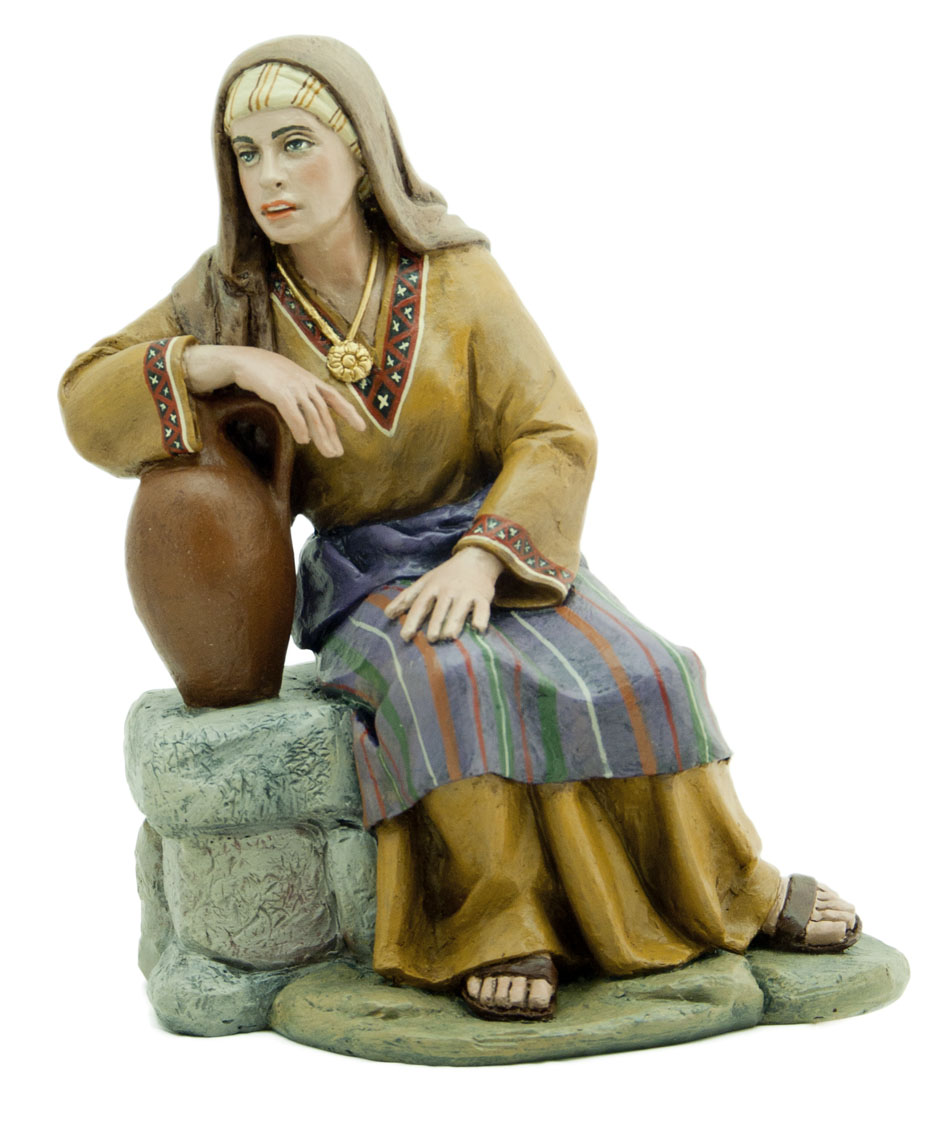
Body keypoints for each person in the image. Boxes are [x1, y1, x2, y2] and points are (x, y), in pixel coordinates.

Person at [60, 36, 859, 1022]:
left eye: (296, 143)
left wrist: (484, 559)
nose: (269, 176)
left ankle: (734, 887)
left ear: (364, 153)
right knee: (446, 681)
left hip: (499, 546)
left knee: (647, 669)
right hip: (368, 570)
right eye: (246, 151)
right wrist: (220, 362)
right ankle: (496, 922)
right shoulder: (233, 295)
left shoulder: (456, 272)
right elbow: (86, 396)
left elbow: (554, 431)